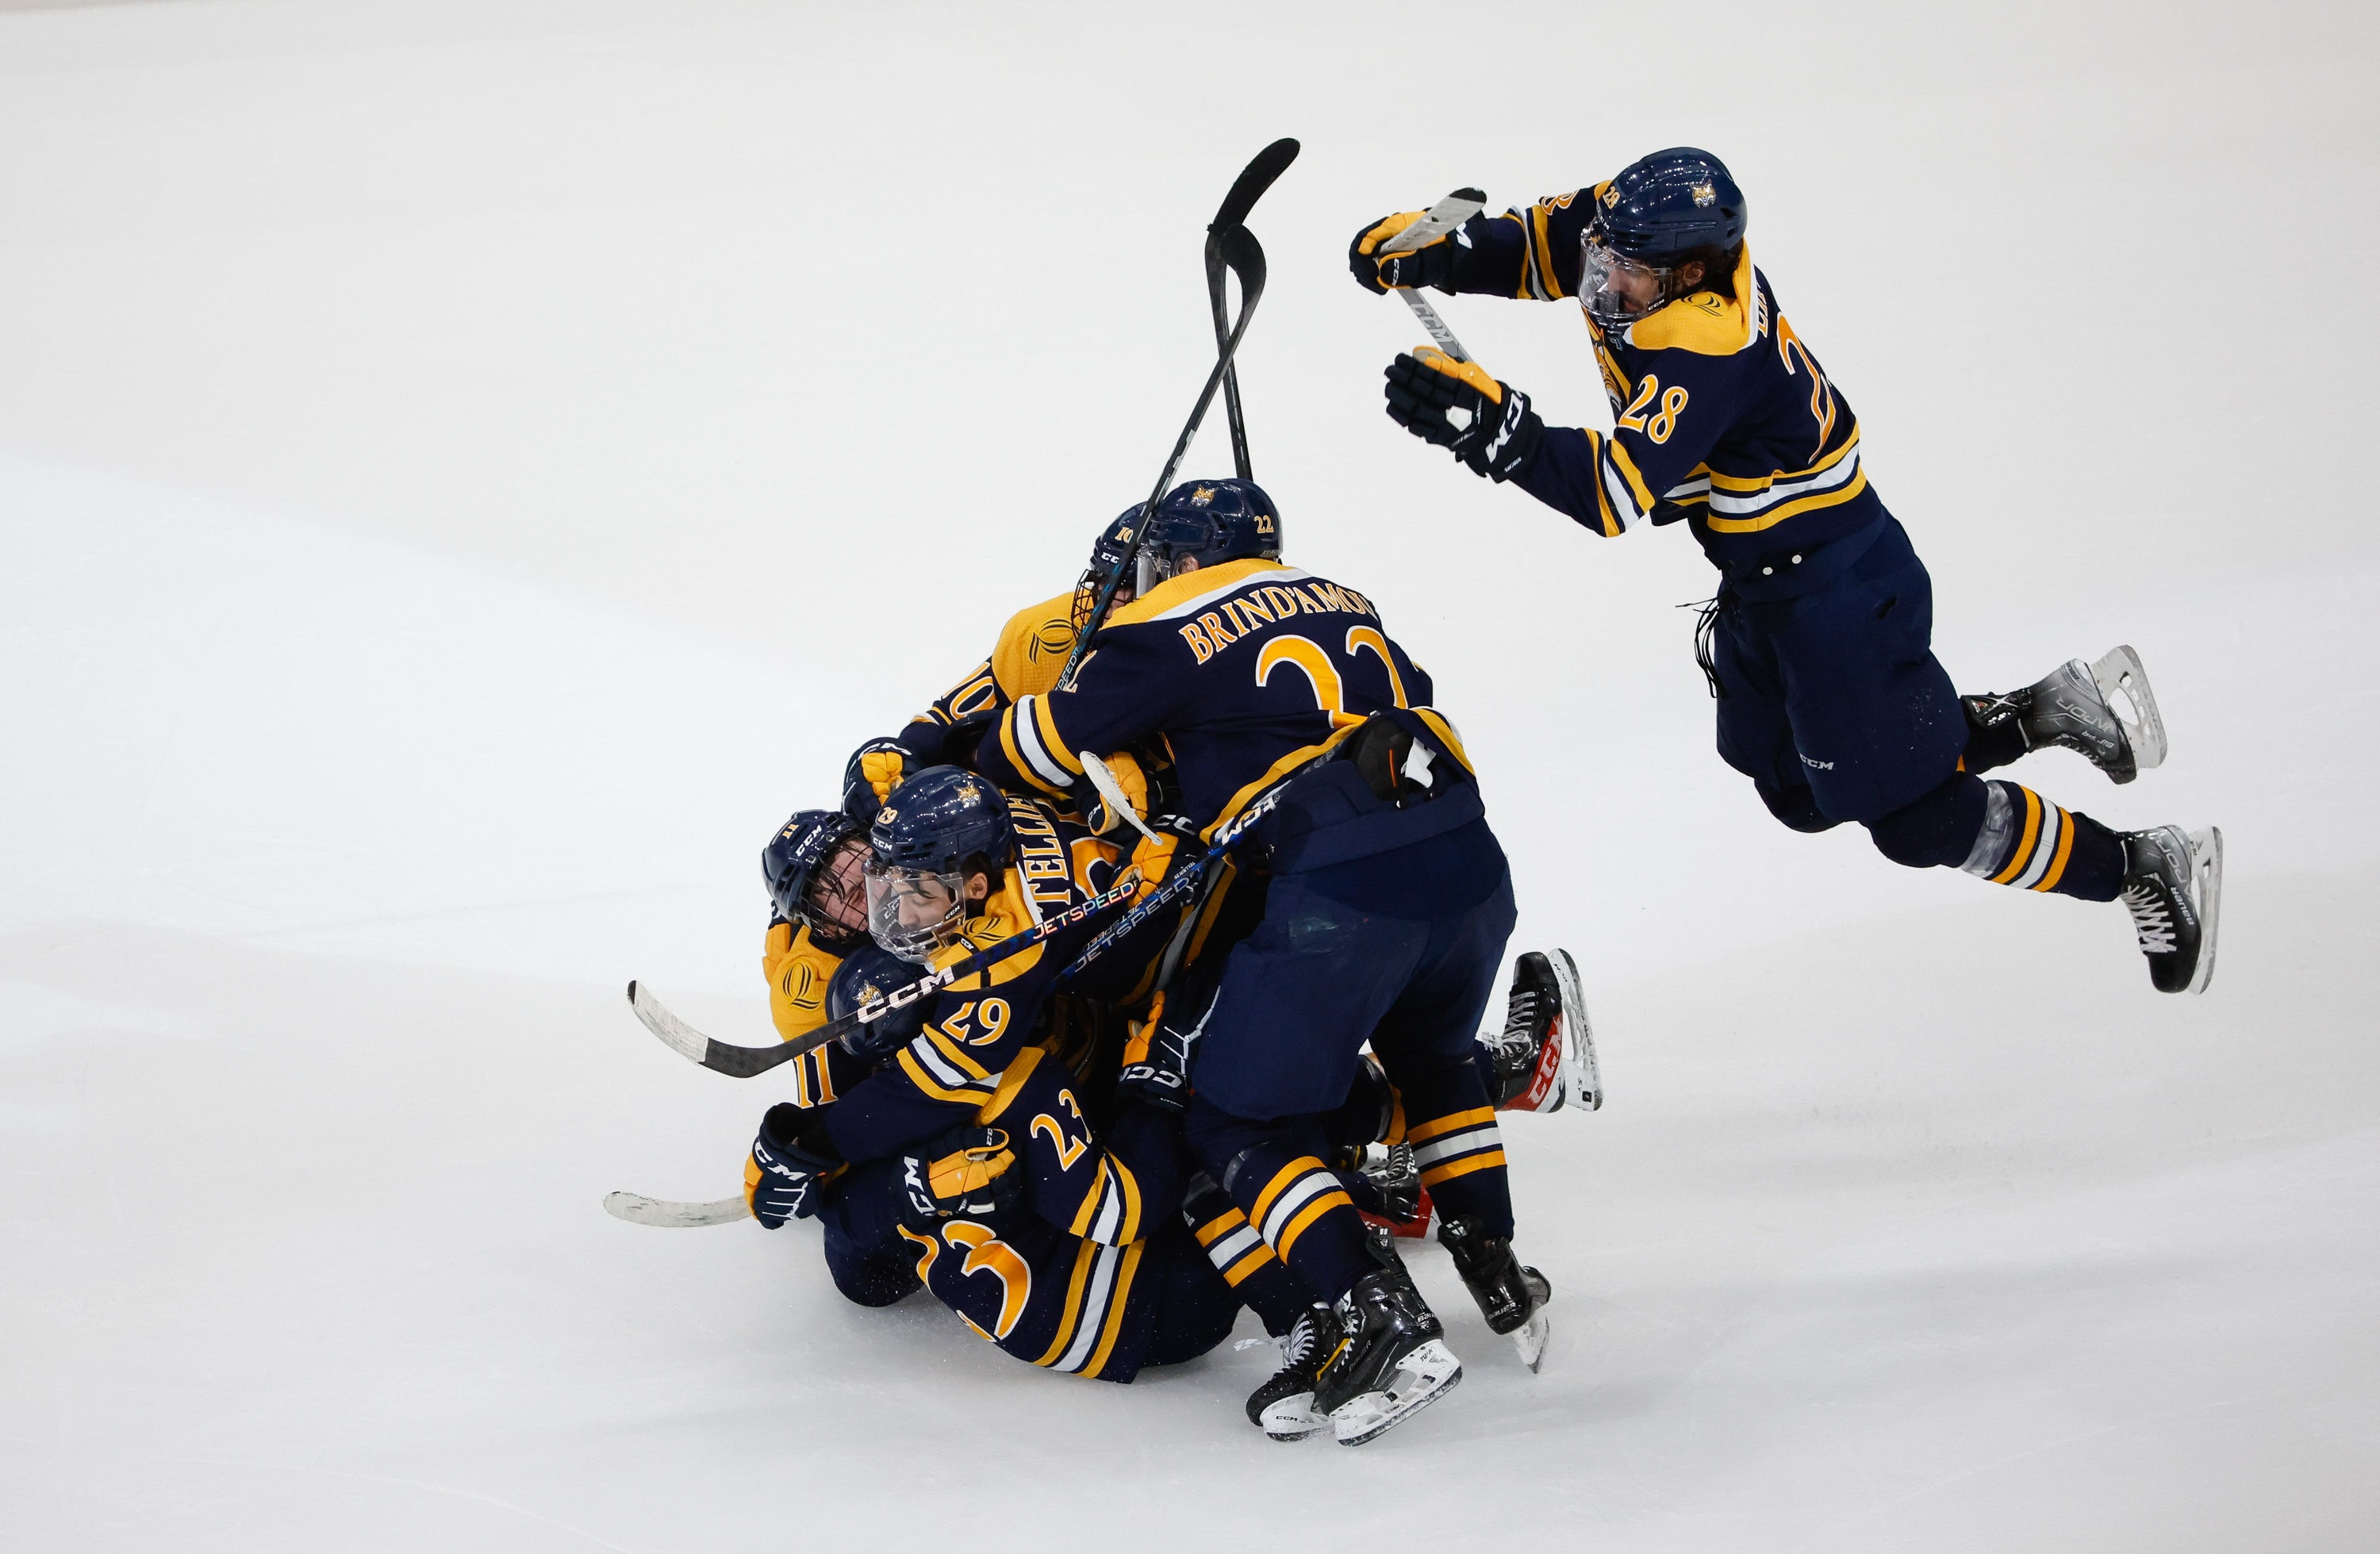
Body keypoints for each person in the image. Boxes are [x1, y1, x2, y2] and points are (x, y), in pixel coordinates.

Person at [1350, 148, 2222, 995]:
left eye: (1630, 276)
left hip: (1837, 594)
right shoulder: (1638, 232)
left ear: (1691, 274)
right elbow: (1545, 244)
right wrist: (1436, 249)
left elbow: (1615, 494)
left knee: (1919, 821)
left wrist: (1502, 432)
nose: (1605, 285)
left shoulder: (1705, 344)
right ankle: (2041, 712)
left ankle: (2143, 864)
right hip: (1768, 587)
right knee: (1798, 791)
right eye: (1605, 261)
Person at [973, 477, 1558, 1446]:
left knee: (1234, 1111)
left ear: (1185, 562)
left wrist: (951, 755)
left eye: (1161, 566)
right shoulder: (1347, 595)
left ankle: (1376, 1313)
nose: (1149, 580)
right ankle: (1493, 1262)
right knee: (1432, 1060)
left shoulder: (1164, 617)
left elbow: (1030, 751)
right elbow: (1392, 701)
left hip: (1339, 882)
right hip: (1466, 856)